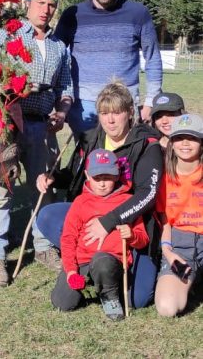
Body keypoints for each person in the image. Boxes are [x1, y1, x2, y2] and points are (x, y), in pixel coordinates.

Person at [36, 81, 162, 308]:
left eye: (117, 112)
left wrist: (109, 222)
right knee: (47, 216)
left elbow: (148, 193)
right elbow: (76, 174)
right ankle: (84, 261)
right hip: (91, 212)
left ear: (130, 112)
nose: (110, 120)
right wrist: (52, 177)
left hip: (133, 223)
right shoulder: (90, 138)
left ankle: (114, 265)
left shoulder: (147, 143)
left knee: (137, 300)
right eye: (104, 113)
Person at [0, 0, 73, 286]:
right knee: (0, 191)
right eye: (41, 3)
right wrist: (10, 87)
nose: (46, 10)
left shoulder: (60, 47)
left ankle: (45, 246)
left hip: (42, 125)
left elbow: (65, 86)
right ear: (28, 3)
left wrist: (62, 111)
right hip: (8, 123)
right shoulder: (6, 36)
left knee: (42, 188)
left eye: (51, 5)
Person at [55, 0, 162, 136]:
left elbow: (152, 58)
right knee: (89, 161)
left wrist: (151, 101)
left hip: (124, 105)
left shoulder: (138, 13)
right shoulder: (73, 15)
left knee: (124, 162)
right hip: (84, 107)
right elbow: (55, 56)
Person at [51, 149, 148, 320]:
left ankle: (109, 295)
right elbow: (68, 239)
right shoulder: (80, 202)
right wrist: (71, 271)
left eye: (107, 177)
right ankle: (92, 287)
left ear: (117, 175)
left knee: (102, 261)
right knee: (62, 302)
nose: (102, 184)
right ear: (87, 176)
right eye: (97, 178)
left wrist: (132, 236)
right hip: (83, 262)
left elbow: (143, 239)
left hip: (112, 262)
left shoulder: (127, 202)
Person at [154, 113, 203, 317]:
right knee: (167, 307)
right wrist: (168, 252)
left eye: (192, 138)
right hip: (179, 242)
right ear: (171, 142)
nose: (185, 143)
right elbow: (164, 219)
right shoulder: (162, 175)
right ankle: (193, 277)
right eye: (179, 137)